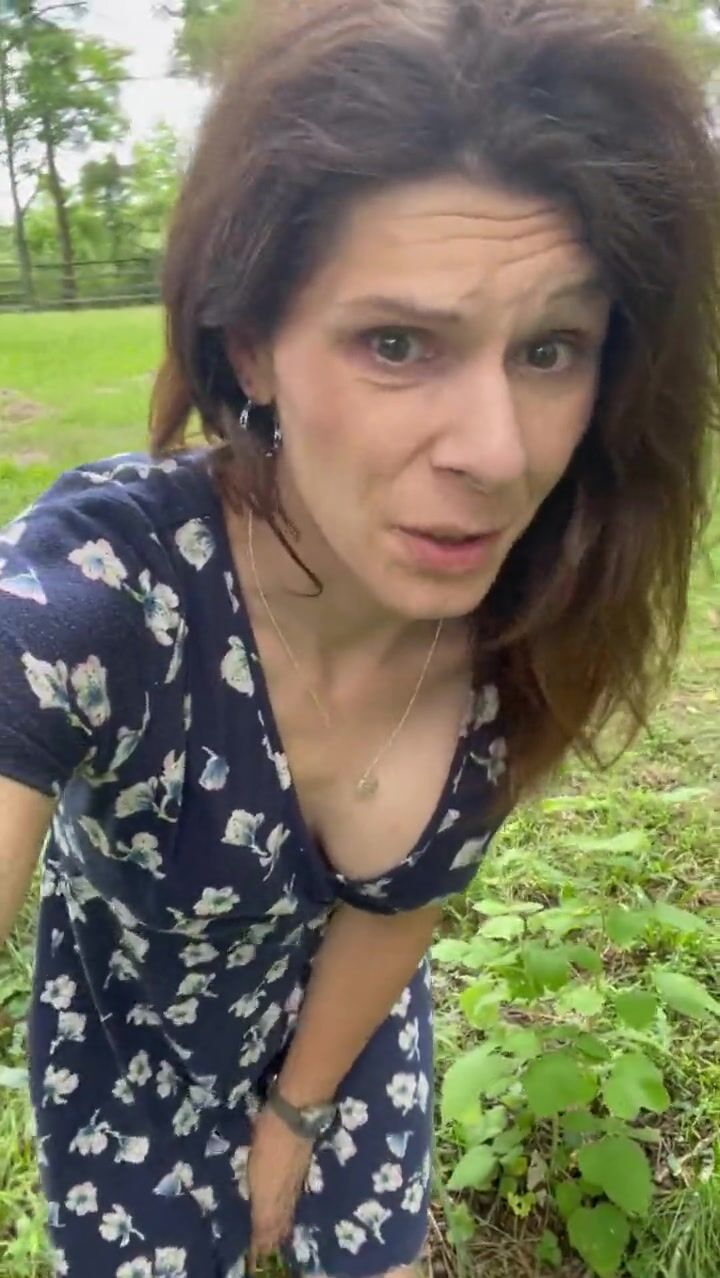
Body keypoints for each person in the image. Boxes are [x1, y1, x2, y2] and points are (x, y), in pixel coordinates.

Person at [1, 0, 718, 1275]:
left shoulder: (540, 605)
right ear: (251, 348)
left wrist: (296, 1114)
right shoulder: (105, 597)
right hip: (129, 1058)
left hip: (355, 1028)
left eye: (550, 348)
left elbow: (407, 896)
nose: (498, 453)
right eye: (398, 343)